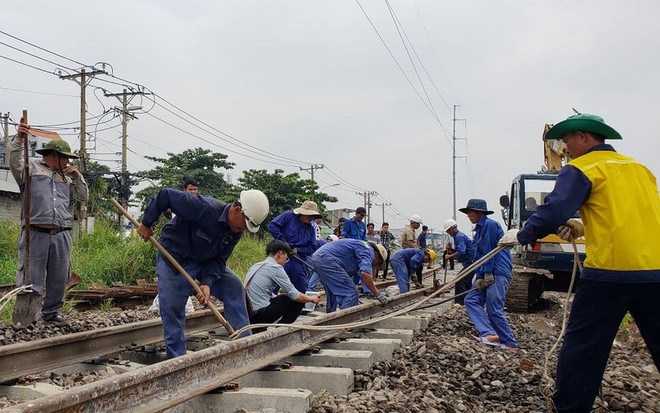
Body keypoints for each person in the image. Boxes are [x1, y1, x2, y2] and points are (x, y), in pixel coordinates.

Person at [500, 113, 660, 412]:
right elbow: (635, 216)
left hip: (610, 273)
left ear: (584, 137)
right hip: (655, 271)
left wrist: (522, 235)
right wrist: (583, 227)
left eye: (567, 141)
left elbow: (553, 210)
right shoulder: (640, 169)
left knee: (585, 346)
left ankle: (571, 407)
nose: (564, 149)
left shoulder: (584, 167)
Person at [137, 188, 269, 358]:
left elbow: (219, 260)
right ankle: (177, 361)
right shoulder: (204, 207)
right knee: (172, 307)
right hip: (175, 258)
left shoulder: (236, 231)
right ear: (237, 210)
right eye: (244, 225)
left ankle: (244, 345)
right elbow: (166, 196)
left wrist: (207, 282)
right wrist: (146, 223)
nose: (243, 229)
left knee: (234, 286)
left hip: (205, 261)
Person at [9, 122, 88, 323]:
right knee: (31, 277)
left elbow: (82, 197)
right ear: (55, 155)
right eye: (66, 158)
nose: (68, 162)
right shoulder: (31, 168)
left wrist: (78, 176)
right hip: (35, 232)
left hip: (61, 233)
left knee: (59, 277)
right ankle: (27, 318)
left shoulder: (66, 177)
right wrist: (19, 138)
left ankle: (51, 313)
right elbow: (14, 161)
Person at [460, 199, 518, 351]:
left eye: (470, 212)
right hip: (486, 270)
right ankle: (488, 332)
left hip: (497, 271)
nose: (468, 215)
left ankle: (510, 343)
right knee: (471, 300)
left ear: (479, 213)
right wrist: (480, 275)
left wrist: (486, 273)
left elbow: (488, 252)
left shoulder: (490, 225)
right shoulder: (479, 229)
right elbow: (480, 256)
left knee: (494, 309)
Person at [244, 240, 320, 332]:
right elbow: (295, 295)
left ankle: (259, 328)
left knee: (281, 298)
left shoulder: (257, 265)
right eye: (286, 257)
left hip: (248, 313)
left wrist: (274, 296)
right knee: (294, 301)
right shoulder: (275, 268)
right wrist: (311, 299)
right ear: (279, 254)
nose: (286, 260)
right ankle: (280, 330)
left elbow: (260, 289)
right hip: (259, 315)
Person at [308, 239, 389, 312]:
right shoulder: (368, 250)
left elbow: (358, 276)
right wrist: (377, 293)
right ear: (377, 254)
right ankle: (347, 323)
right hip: (327, 259)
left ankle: (331, 315)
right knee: (351, 293)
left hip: (320, 258)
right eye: (378, 262)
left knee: (333, 291)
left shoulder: (361, 247)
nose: (374, 265)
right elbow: (365, 274)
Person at [268, 200, 326, 293]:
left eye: (312, 216)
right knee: (273, 285)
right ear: (302, 213)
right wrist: (283, 242)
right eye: (309, 215)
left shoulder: (310, 229)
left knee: (301, 287)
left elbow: (312, 247)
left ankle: (300, 305)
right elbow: (272, 226)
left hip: (298, 259)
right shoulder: (288, 216)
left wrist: (297, 250)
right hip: (280, 257)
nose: (310, 218)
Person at [443, 219, 476, 305]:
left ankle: (460, 303)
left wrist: (449, 256)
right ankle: (468, 302)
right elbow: (459, 252)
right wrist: (450, 250)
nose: (449, 233)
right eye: (447, 231)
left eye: (449, 230)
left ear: (454, 227)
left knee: (460, 280)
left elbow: (461, 252)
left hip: (471, 262)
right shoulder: (457, 236)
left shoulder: (459, 237)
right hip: (471, 262)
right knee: (466, 282)